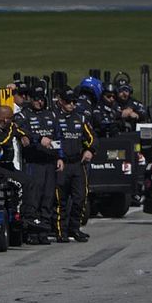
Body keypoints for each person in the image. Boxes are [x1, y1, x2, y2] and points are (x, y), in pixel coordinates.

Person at [13, 86, 60, 243]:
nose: (39, 102)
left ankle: (44, 230)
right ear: (30, 99)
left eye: (41, 99)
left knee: (48, 197)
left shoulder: (51, 114)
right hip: (33, 162)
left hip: (49, 162)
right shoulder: (22, 115)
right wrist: (39, 138)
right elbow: (22, 131)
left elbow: (59, 136)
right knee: (33, 197)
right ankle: (32, 232)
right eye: (36, 99)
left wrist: (60, 157)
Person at [54, 87, 95, 242]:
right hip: (61, 164)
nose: (72, 104)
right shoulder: (55, 118)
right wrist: (58, 157)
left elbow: (92, 138)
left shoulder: (80, 119)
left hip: (78, 164)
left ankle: (75, 228)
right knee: (60, 200)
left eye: (74, 102)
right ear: (61, 101)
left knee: (80, 197)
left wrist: (90, 150)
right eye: (68, 101)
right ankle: (60, 231)